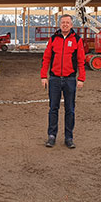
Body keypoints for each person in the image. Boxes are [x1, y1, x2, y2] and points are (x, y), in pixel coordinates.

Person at [40, 14, 86, 148]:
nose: (65, 25)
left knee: (70, 110)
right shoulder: (53, 39)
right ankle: (52, 136)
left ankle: (69, 137)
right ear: (59, 25)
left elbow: (81, 60)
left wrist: (81, 78)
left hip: (70, 79)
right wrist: (44, 76)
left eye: (67, 23)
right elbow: (46, 58)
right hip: (54, 79)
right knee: (53, 109)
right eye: (63, 22)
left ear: (72, 25)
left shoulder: (77, 40)